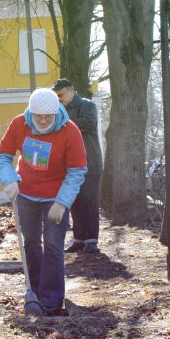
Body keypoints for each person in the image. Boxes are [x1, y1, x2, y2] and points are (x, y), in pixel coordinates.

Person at [0, 88, 87, 317]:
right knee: (31, 243)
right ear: (31, 113)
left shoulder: (69, 131)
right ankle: (34, 294)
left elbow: (77, 170)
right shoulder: (19, 125)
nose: (44, 120)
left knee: (54, 246)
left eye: (49, 116)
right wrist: (9, 180)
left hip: (56, 196)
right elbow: (3, 155)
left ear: (56, 112)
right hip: (25, 193)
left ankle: (53, 301)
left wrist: (62, 202)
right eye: (39, 116)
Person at [53, 79, 103, 253]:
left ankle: (91, 240)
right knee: (74, 202)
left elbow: (87, 124)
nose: (58, 99)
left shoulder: (87, 106)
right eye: (56, 96)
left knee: (89, 202)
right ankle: (79, 239)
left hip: (90, 163)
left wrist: (62, 125)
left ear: (70, 91)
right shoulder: (62, 110)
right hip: (71, 165)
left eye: (60, 95)